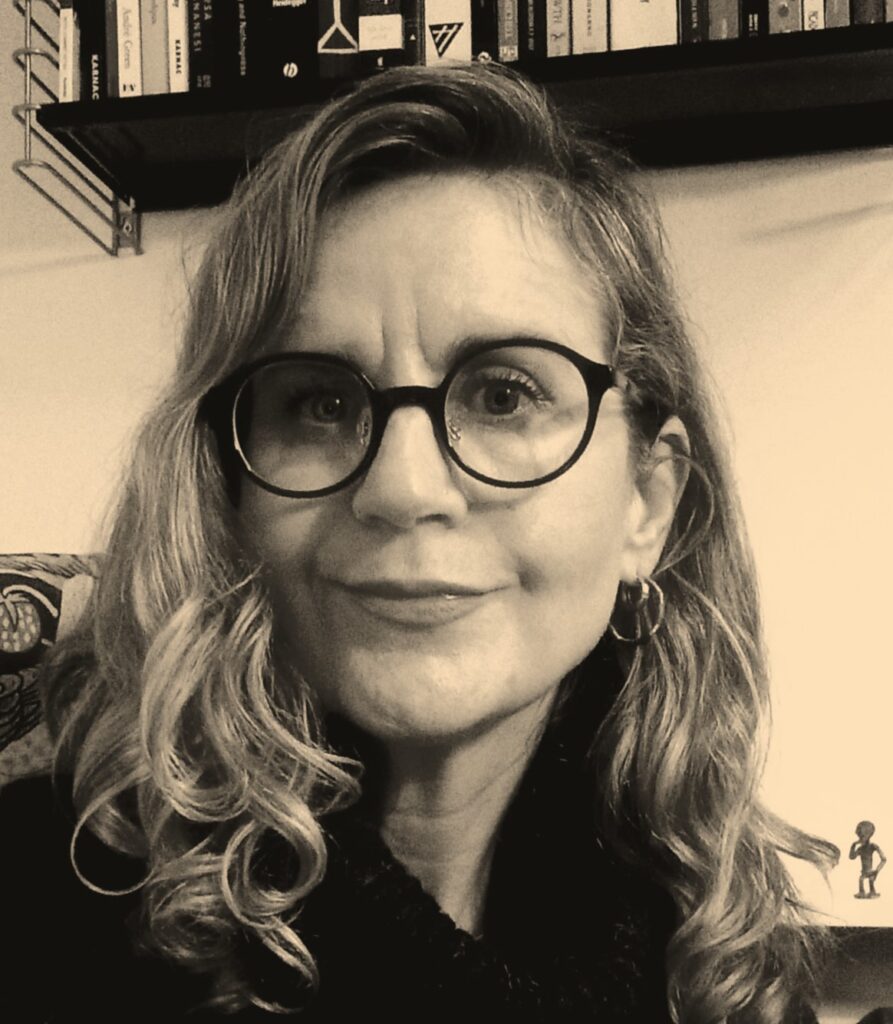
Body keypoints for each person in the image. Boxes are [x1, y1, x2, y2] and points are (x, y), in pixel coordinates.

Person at [1, 63, 839, 1022]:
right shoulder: (41, 916)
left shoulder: (725, 962)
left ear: (647, 503)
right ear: (228, 492)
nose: (401, 488)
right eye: (319, 404)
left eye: (503, 395)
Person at [850, 820, 886, 898]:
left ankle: (872, 892)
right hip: (864, 872)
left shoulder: (873, 846)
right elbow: (852, 857)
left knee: (870, 880)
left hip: (870, 871)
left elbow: (884, 859)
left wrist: (877, 870)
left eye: (862, 836)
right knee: (861, 880)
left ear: (868, 835)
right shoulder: (860, 849)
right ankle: (862, 893)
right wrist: (853, 846)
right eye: (859, 836)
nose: (860, 838)